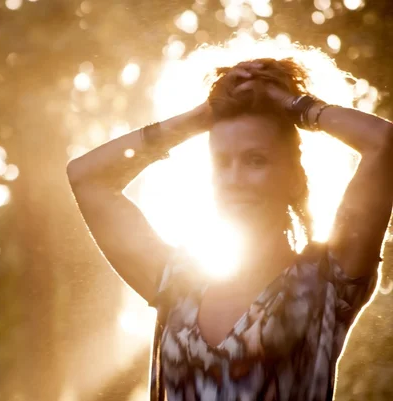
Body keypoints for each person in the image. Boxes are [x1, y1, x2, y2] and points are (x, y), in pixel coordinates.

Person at [66, 57, 391, 400]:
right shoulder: (176, 283)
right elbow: (87, 178)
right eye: (222, 163)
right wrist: (200, 118)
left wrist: (294, 105)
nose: (235, 180)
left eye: (255, 161)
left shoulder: (327, 283)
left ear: (293, 177)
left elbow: (383, 142)